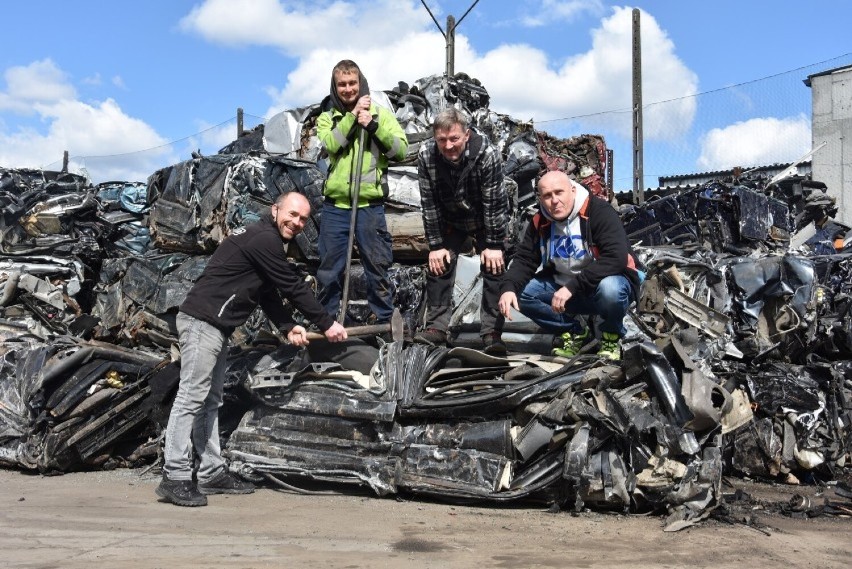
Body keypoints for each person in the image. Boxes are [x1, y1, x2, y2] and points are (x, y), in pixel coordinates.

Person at [156, 192, 348, 507]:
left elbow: (269, 292)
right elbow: (292, 285)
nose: (297, 223)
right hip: (202, 323)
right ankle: (174, 475)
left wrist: (287, 326)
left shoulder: (264, 240)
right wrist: (326, 323)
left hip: (215, 327)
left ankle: (211, 472)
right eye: (293, 214)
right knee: (192, 397)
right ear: (275, 210)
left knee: (210, 400)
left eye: (303, 219)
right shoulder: (263, 239)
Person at [497, 170, 642, 360]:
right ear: (540, 198)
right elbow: (524, 261)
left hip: (601, 285)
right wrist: (508, 288)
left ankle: (610, 337)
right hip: (565, 289)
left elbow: (616, 258)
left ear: (572, 190)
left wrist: (572, 286)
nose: (554, 200)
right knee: (520, 293)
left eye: (559, 192)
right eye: (547, 196)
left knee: (611, 290)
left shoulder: (598, 211)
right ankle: (575, 332)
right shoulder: (540, 221)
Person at [315, 59, 408, 325]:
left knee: (377, 266)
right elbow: (332, 145)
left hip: (369, 206)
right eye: (341, 84)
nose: (347, 89)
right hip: (336, 207)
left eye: (352, 83)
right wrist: (353, 118)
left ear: (361, 83)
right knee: (329, 270)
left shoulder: (380, 115)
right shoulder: (327, 117)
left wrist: (373, 126)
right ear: (335, 86)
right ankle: (326, 323)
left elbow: (400, 151)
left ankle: (384, 322)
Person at [414, 107, 509, 356]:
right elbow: (429, 204)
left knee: (494, 265)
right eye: (442, 140)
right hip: (450, 216)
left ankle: (491, 332)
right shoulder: (426, 156)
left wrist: (494, 244)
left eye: (454, 138)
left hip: (483, 214)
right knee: (439, 263)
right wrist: (435, 246)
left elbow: (495, 202)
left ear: (466, 135)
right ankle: (436, 328)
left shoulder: (487, 153)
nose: (448, 145)